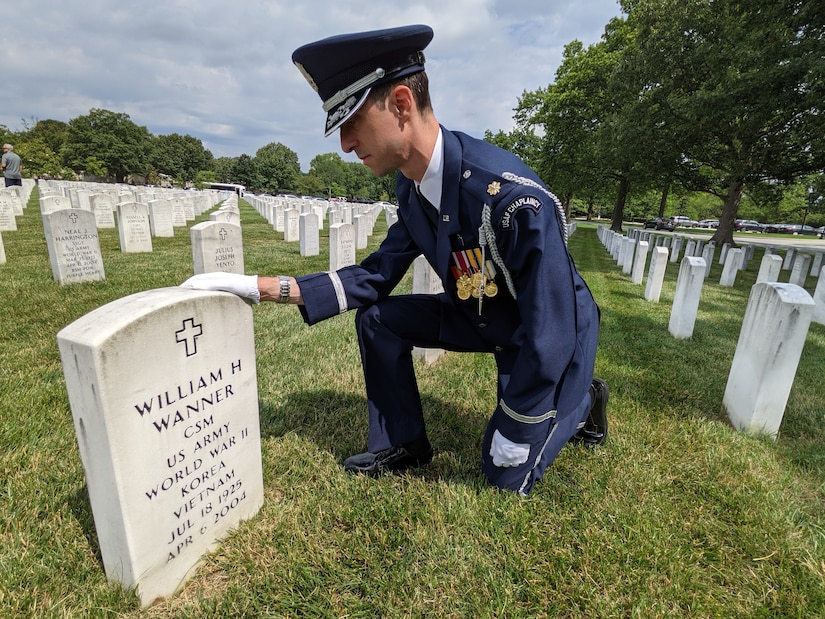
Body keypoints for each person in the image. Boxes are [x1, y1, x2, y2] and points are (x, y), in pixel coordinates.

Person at [182, 24, 608, 494]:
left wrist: (518, 421)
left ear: (402, 105)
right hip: (483, 312)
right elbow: (379, 273)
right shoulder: (411, 186)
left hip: (551, 335)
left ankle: (585, 400)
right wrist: (267, 288)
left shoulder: (510, 198)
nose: (345, 144)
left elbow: (551, 330)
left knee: (502, 477)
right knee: (379, 320)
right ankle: (401, 441)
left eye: (352, 124)